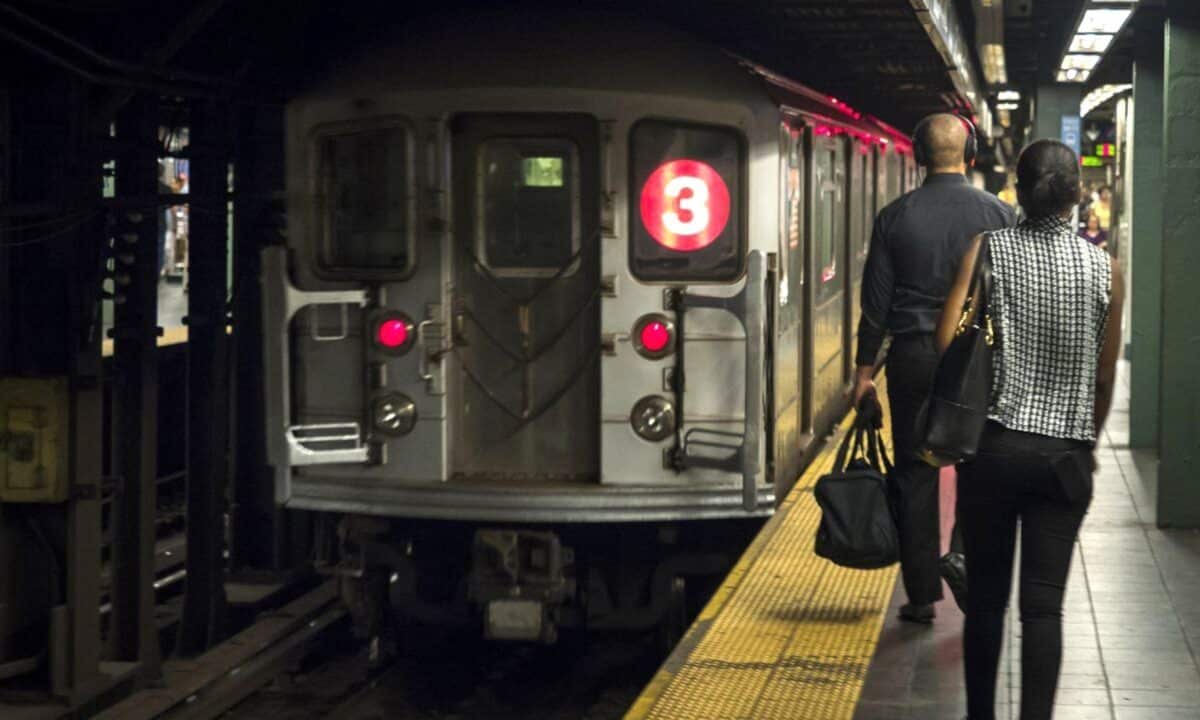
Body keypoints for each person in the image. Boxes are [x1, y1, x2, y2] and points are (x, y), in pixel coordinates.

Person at [935, 139, 1123, 720]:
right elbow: (1104, 374)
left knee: (987, 604)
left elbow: (947, 343)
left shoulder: (987, 248)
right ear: (1073, 197)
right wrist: (1082, 443)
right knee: (1044, 609)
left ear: (1018, 188)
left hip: (991, 449)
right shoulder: (1104, 267)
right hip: (1062, 458)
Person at [853, 114, 1016, 623]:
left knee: (915, 471)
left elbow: (875, 305)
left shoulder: (894, 217)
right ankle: (965, 561)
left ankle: (921, 596)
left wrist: (863, 374)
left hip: (914, 357)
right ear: (970, 157)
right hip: (978, 355)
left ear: (918, 159)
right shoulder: (1002, 216)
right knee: (977, 464)